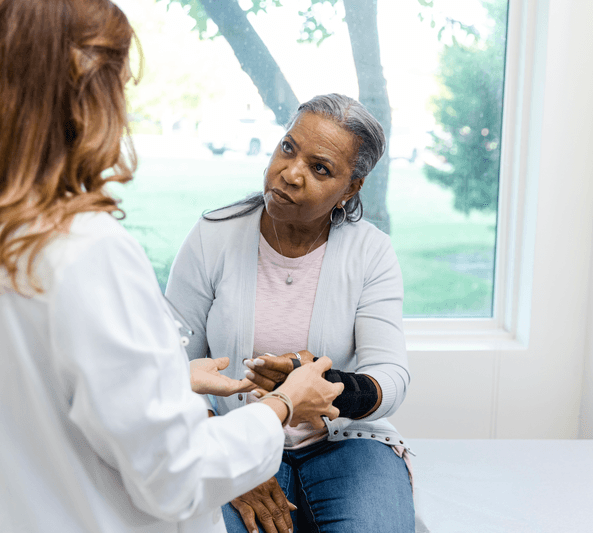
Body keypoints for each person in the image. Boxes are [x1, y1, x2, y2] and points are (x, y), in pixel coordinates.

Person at [0, 1, 343, 532]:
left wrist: (168, 380)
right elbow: (175, 477)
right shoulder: (86, 250)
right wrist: (281, 405)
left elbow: (24, 404)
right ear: (91, 92)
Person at [166, 94, 415, 533]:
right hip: (236, 435)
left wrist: (323, 386)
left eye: (320, 168)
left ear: (350, 189)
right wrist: (221, 453)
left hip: (348, 443)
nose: (291, 173)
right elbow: (168, 364)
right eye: (287, 148)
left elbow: (390, 377)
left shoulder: (371, 252)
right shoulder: (213, 236)